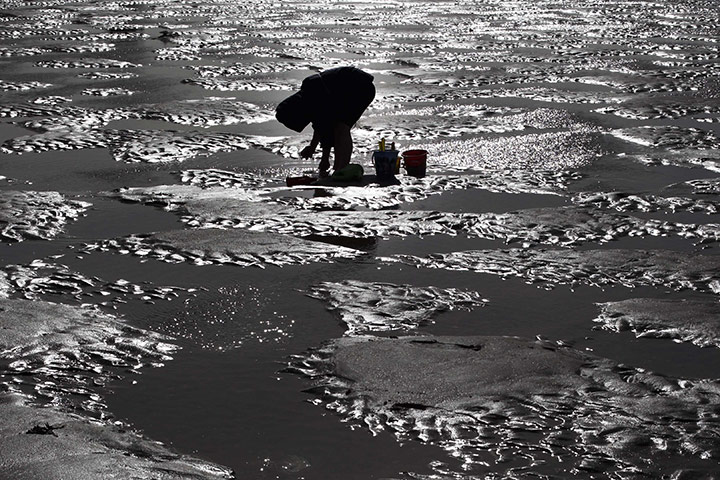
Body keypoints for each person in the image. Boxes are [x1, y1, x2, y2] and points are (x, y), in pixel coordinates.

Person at [275, 66, 375, 177]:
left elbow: (324, 125)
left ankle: (341, 169)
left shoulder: (312, 93)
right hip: (349, 91)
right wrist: (315, 150)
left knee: (341, 128)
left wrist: (323, 158)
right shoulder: (307, 97)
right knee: (338, 128)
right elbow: (322, 125)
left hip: (360, 88)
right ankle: (339, 169)